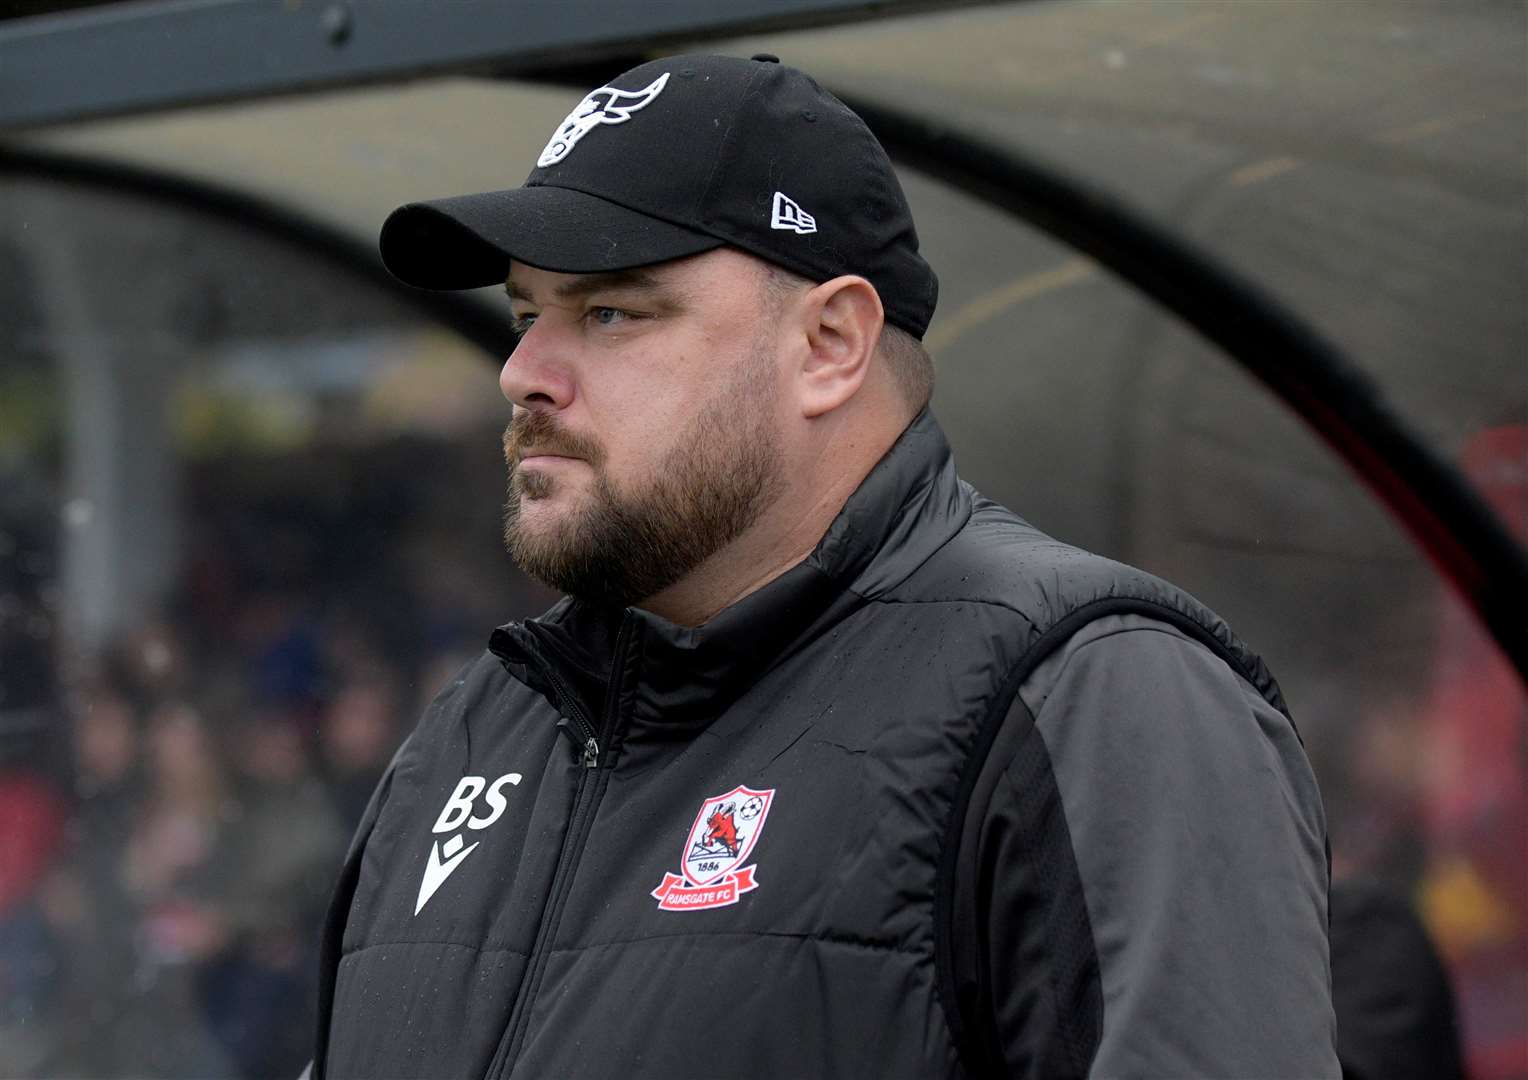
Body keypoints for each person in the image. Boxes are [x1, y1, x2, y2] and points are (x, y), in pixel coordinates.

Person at [309, 54, 1337, 1079]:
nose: (522, 371)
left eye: (610, 312)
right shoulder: (477, 733)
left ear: (830, 344)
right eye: (528, 314)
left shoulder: (1092, 696)